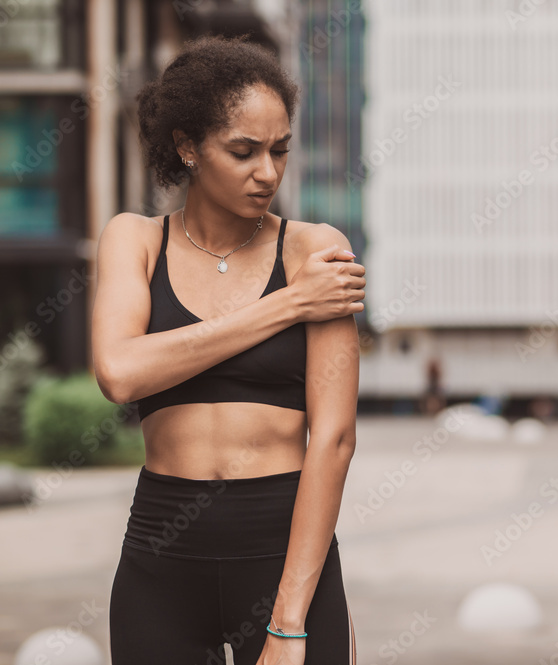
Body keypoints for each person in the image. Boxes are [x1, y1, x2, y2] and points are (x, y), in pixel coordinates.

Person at [90, 35, 364, 665]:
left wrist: (289, 621)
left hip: (283, 549)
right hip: (161, 557)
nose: (267, 172)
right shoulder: (134, 240)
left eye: (280, 150)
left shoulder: (314, 251)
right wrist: (289, 305)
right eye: (242, 152)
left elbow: (335, 438)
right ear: (187, 147)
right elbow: (121, 372)